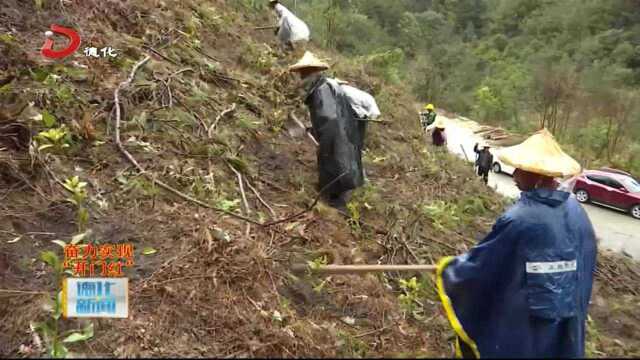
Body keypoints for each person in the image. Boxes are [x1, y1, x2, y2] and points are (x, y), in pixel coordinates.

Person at [435, 129, 597, 358]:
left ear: (538, 176)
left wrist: (451, 269)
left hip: (528, 326)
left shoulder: (520, 219)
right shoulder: (576, 211)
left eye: (521, 170)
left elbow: (483, 267)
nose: (515, 174)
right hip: (566, 321)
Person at [288, 52, 364, 211]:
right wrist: (314, 131)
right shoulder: (327, 86)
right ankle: (335, 198)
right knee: (341, 164)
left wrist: (325, 142)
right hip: (343, 131)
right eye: (301, 73)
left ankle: (337, 206)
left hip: (337, 135)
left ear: (313, 72)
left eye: (304, 73)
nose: (302, 77)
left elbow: (330, 119)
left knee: (336, 164)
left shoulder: (321, 90)